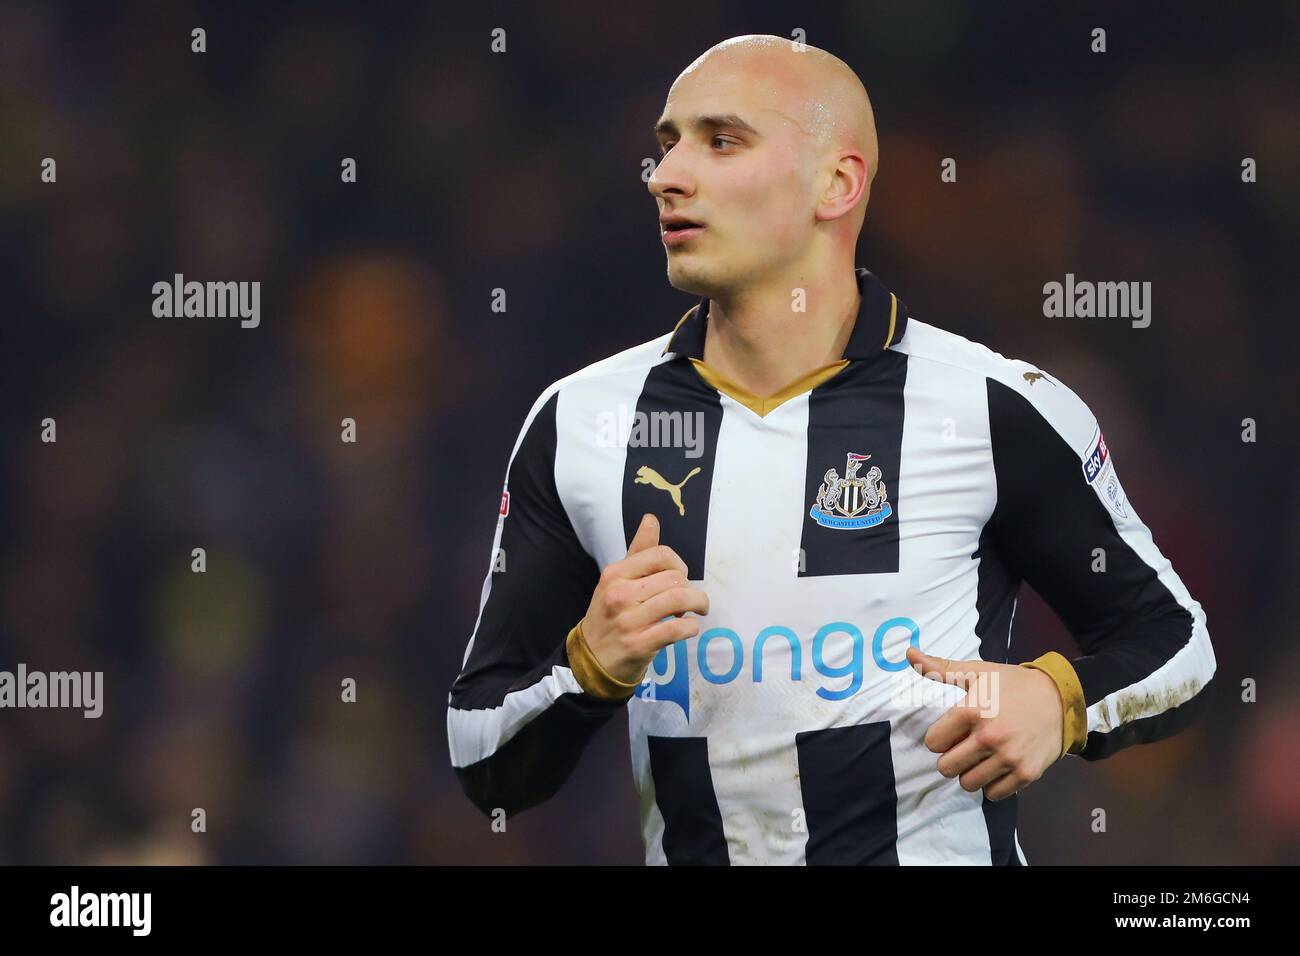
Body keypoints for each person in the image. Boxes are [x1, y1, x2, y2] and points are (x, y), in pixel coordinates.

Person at [447, 34, 1216, 864]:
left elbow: (1176, 642)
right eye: (666, 145)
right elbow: (481, 754)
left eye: (721, 140)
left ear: (837, 183)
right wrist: (586, 665)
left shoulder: (992, 409)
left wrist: (1058, 699)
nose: (667, 176)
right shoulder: (582, 423)